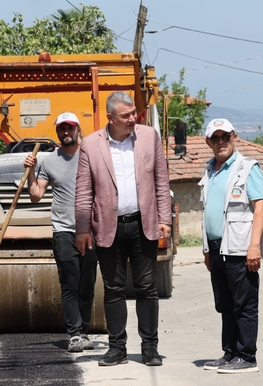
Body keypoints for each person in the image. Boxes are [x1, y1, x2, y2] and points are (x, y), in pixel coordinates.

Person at [75, 91, 172, 367]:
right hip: (108, 227)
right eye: (126, 115)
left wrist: (165, 218)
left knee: (146, 288)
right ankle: (116, 347)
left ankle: (150, 348)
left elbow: (161, 180)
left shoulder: (148, 136)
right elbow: (83, 190)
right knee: (113, 288)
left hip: (144, 225)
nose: (133, 118)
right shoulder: (91, 145)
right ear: (110, 118)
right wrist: (82, 228)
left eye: (134, 114)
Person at [24, 112, 98, 353]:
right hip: (64, 230)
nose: (66, 132)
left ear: (78, 129)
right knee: (69, 284)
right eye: (62, 129)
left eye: (70, 128)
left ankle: (84, 330)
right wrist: (31, 172)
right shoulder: (49, 161)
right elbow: (35, 196)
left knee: (87, 284)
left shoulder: (92, 156)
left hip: (90, 230)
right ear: (57, 132)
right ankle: (74, 334)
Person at [199, 119, 263, 374]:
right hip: (217, 249)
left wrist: (254, 247)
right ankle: (230, 353)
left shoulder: (247, 168)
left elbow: (260, 207)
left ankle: (247, 356)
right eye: (215, 138)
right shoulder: (209, 170)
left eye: (225, 136)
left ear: (234, 136)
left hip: (240, 249)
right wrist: (206, 250)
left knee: (244, 304)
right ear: (208, 142)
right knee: (225, 305)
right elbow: (208, 211)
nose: (221, 142)